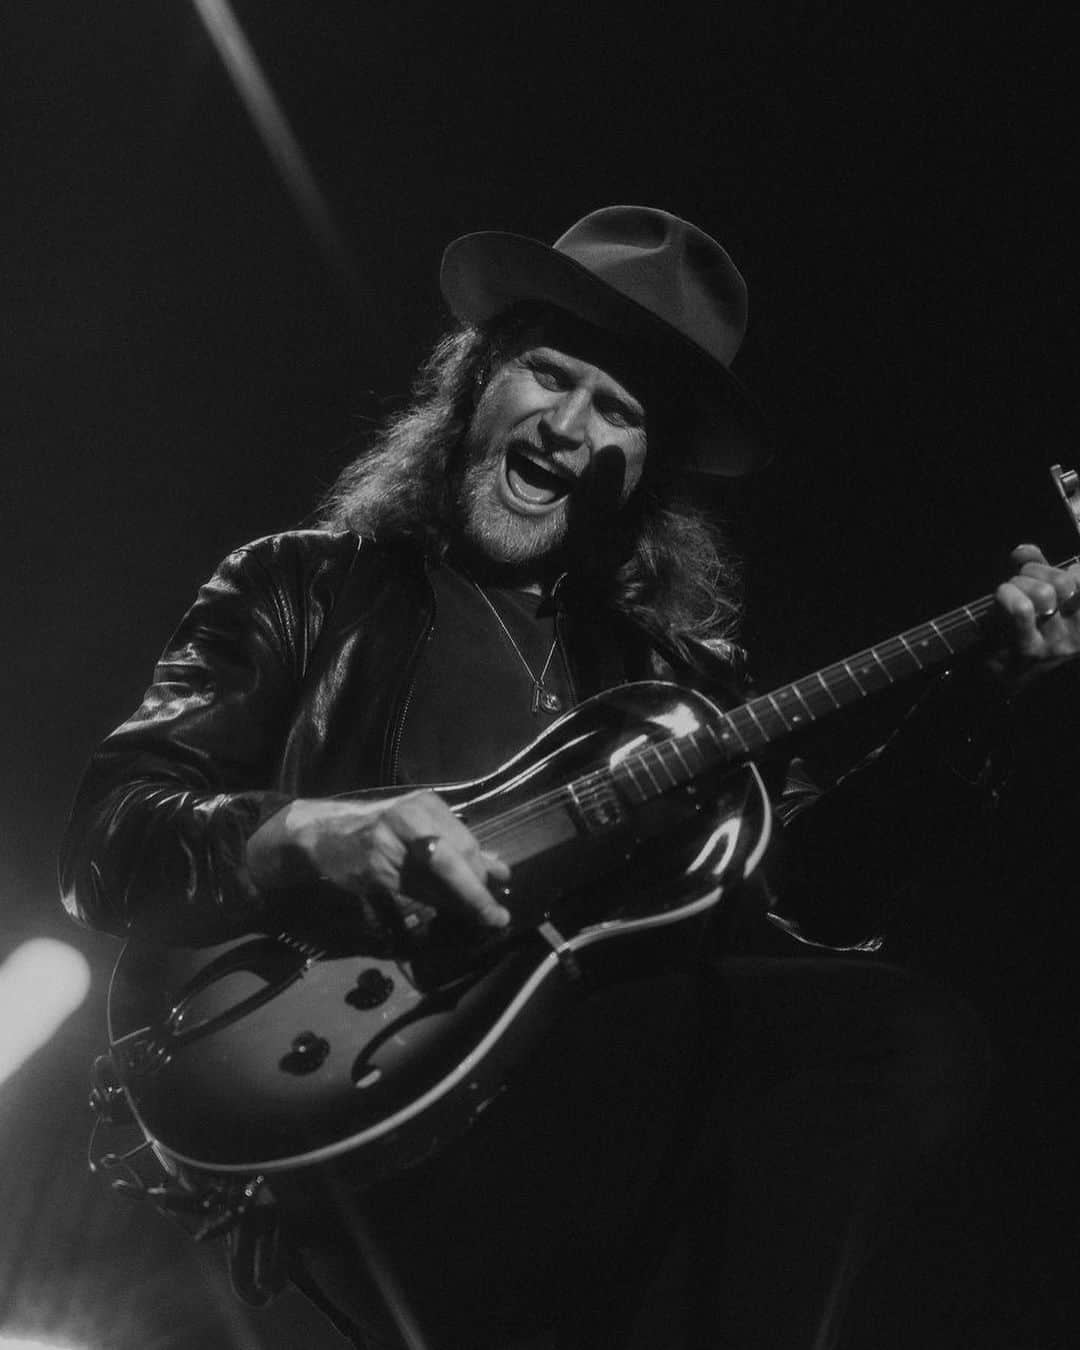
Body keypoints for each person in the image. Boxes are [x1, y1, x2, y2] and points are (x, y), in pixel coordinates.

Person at [60, 206, 1080, 1350]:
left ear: (644, 469)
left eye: (622, 411)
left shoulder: (675, 682)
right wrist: (307, 836)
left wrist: (979, 699)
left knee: (904, 1043)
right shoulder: (309, 587)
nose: (572, 423)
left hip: (574, 1119)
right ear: (477, 381)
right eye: (551, 374)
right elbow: (112, 840)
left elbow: (814, 899)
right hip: (343, 1124)